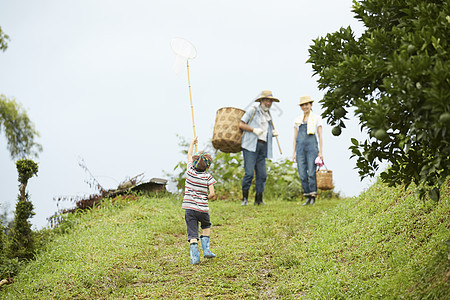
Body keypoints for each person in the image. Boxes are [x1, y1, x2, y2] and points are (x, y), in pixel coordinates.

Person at [238, 90, 280, 206]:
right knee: (249, 173)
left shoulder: (269, 115)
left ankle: (259, 199)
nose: (268, 103)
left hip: (263, 146)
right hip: (250, 146)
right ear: (261, 101)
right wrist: (253, 130)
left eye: (270, 101)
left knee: (262, 175)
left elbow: (265, 131)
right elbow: (241, 124)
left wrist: (273, 133)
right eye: (266, 100)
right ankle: (245, 199)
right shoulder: (253, 110)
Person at [181, 136, 217, 265]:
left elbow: (190, 155)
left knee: (192, 232)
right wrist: (205, 197)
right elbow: (212, 194)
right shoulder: (208, 176)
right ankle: (206, 249)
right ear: (208, 165)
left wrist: (192, 143)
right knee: (206, 226)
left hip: (190, 208)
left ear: (193, 163)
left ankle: (195, 257)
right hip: (202, 209)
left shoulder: (189, 172)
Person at [292, 95, 323, 206]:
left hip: (312, 148)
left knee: (311, 172)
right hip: (300, 149)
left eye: (306, 104)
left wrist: (321, 152)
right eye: (302, 105)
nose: (305, 107)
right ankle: (307, 195)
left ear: (311, 105)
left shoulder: (317, 118)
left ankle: (313, 197)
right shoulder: (297, 120)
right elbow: (295, 138)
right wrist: (293, 153)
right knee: (302, 173)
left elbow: (320, 136)